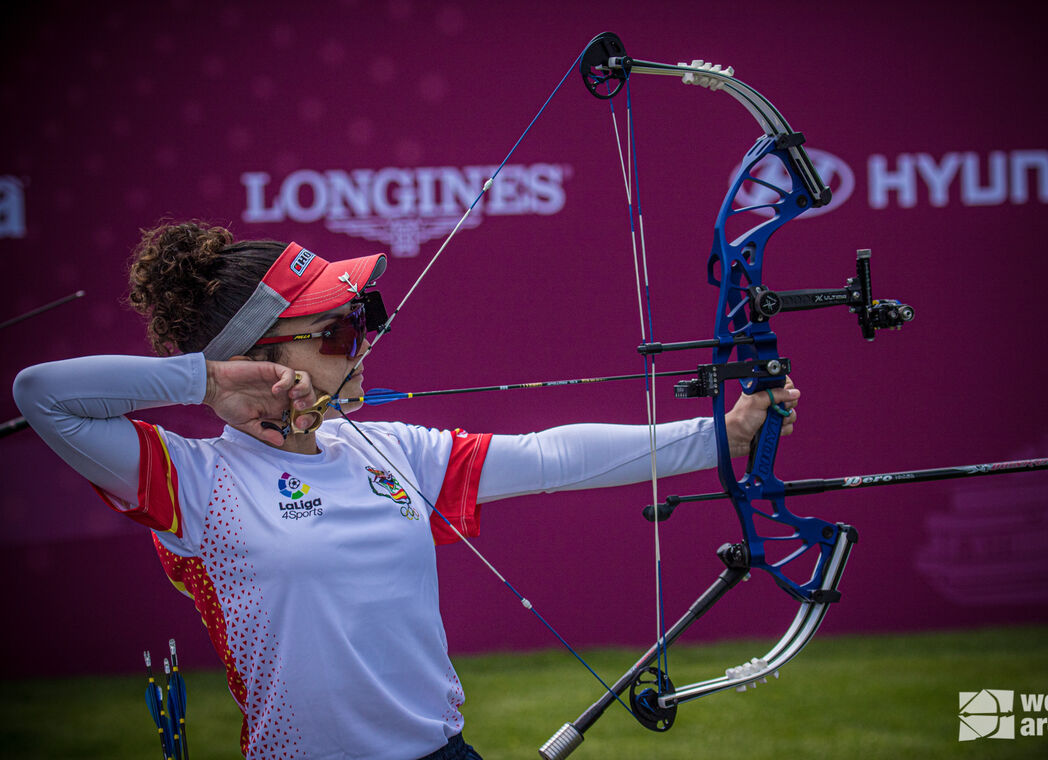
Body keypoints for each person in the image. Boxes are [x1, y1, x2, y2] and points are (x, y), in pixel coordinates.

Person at [13, 221, 799, 760]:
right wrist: (207, 379)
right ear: (259, 356)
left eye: (364, 320)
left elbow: (552, 455)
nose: (366, 341)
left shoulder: (392, 451)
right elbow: (41, 392)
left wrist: (722, 437)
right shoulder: (193, 480)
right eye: (340, 331)